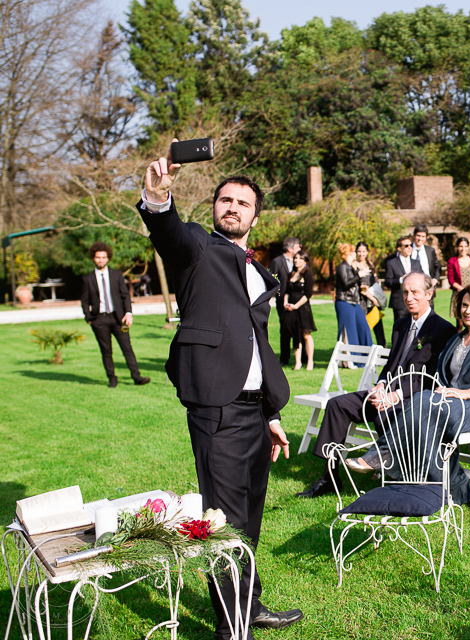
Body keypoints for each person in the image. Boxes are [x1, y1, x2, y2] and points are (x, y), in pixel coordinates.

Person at [138, 145, 301, 635]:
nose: (232, 207)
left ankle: (248, 608)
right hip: (218, 410)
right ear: (214, 208)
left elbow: (255, 347)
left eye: (242, 203)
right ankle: (235, 629)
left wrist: (271, 412)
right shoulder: (197, 249)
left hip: (254, 412)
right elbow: (167, 232)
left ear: (255, 214)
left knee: (248, 521)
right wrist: (157, 196)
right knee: (224, 524)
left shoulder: (257, 268)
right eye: (224, 200)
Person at [348, 283, 470, 506]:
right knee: (424, 411)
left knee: (424, 403)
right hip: (449, 404)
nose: (468, 311)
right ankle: (456, 492)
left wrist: (464, 394)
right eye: (464, 305)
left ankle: (383, 454)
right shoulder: (457, 339)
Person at [297, 272, 456, 498]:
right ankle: (329, 477)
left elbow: (429, 377)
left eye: (415, 293)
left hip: (413, 400)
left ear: (429, 294)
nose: (409, 298)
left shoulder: (443, 329)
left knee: (385, 416)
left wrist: (396, 396)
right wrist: (380, 385)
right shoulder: (401, 324)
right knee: (336, 405)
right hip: (385, 393)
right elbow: (392, 363)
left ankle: (396, 474)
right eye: (405, 293)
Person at [80, 242, 150, 388]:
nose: (101, 260)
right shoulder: (88, 279)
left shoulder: (116, 275)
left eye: (103, 257)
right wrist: (89, 318)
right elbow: (84, 301)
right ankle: (112, 379)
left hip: (119, 319)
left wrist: (128, 313)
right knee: (106, 351)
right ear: (93, 258)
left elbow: (125, 296)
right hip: (99, 320)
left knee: (127, 348)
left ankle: (137, 377)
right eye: (98, 257)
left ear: (108, 258)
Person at [334, 243, 372, 359]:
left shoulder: (351, 267)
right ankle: (353, 359)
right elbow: (345, 284)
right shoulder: (342, 267)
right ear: (350, 253)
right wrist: (359, 275)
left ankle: (368, 356)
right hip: (345, 301)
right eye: (355, 251)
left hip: (355, 301)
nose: (357, 253)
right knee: (350, 331)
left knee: (363, 327)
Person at [283, 250, 317, 370]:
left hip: (303, 309)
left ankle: (310, 361)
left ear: (305, 261)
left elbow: (308, 294)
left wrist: (297, 305)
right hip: (291, 309)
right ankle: (298, 362)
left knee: (306, 335)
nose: (297, 260)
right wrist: (285, 302)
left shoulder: (307, 274)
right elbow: (287, 291)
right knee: (295, 335)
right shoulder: (291, 274)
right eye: (296, 258)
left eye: (300, 258)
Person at [269, 236, 300, 367]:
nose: (300, 249)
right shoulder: (276, 262)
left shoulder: (300, 261)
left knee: (299, 329)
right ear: (290, 248)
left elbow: (305, 271)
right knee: (285, 330)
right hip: (283, 302)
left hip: (297, 301)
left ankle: (302, 358)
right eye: (298, 246)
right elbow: (272, 280)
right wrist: (279, 296)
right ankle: (284, 358)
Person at [384, 236, 422, 325]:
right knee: (401, 330)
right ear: (399, 248)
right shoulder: (391, 263)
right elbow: (387, 282)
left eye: (411, 245)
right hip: (399, 303)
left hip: (415, 302)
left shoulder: (416, 263)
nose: (409, 247)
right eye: (406, 246)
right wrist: (401, 279)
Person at [355, 242, 386, 347]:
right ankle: (365, 351)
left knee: (378, 327)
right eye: (359, 251)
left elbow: (375, 282)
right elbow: (358, 286)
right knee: (364, 328)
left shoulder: (370, 264)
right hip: (362, 302)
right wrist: (371, 297)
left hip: (373, 302)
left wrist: (376, 296)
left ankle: (383, 352)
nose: (361, 254)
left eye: (363, 251)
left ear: (367, 252)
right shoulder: (354, 265)